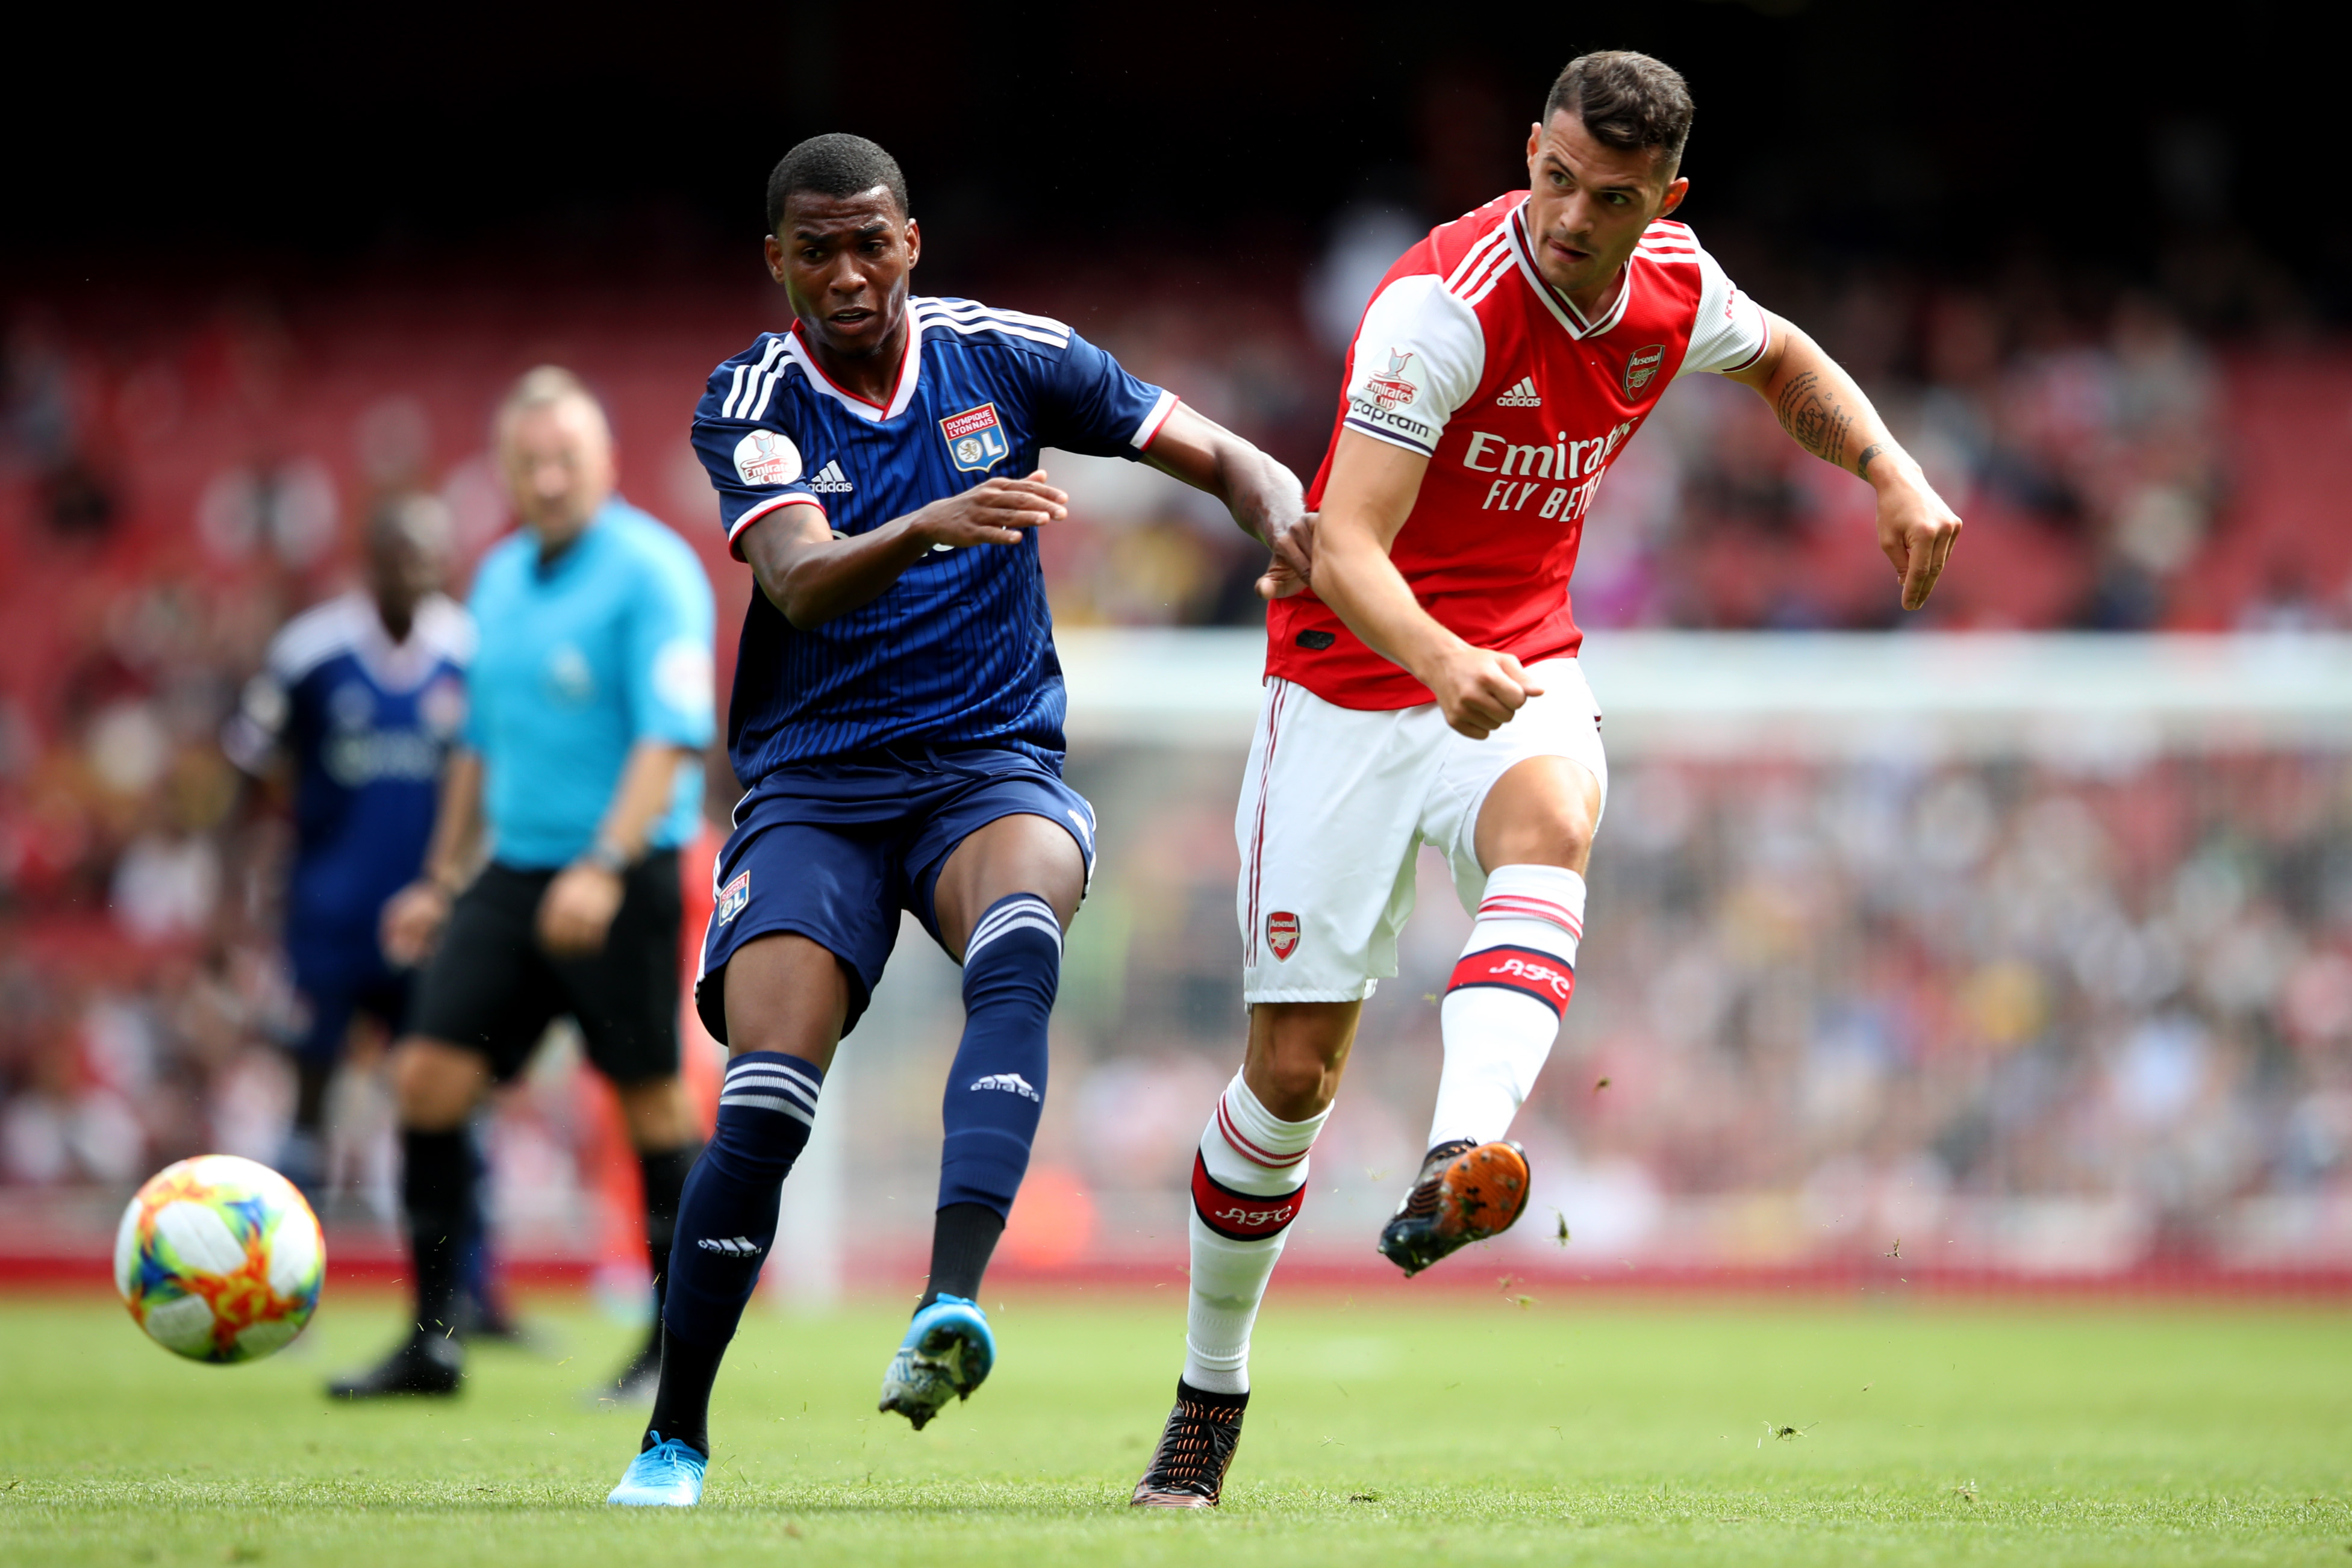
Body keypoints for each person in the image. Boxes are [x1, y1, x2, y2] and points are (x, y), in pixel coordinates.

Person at [1128, 49, 1965, 1507]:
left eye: (1613, 197)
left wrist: (1887, 468)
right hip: (1345, 684)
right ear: (1529, 150)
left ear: (1666, 199)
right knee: (1286, 1080)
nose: (1572, 217)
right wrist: (1435, 663)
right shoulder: (1436, 312)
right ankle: (1208, 1394)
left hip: (1516, 662)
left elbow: (1777, 360)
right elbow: (1344, 545)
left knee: (1553, 817)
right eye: (1557, 179)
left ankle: (1466, 1147)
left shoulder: (1673, 287)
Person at [604, 132, 1308, 1508]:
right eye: (818, 250)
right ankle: (675, 1432)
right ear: (778, 262)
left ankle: (946, 1304)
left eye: (871, 242)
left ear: (910, 242)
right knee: (765, 1095)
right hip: (811, 787)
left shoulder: (1007, 354)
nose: (849, 272)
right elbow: (799, 583)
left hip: (986, 764)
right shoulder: (750, 398)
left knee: (1022, 925)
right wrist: (935, 520)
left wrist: (1286, 519)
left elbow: (1216, 452)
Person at [328, 367, 717, 1402]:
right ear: (504, 470)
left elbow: (672, 735)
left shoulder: (654, 571)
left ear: (606, 462)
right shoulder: (497, 577)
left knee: (647, 1101)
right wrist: (440, 876)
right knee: (427, 1077)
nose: (547, 477)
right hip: (512, 868)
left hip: (620, 870)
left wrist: (602, 862)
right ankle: (435, 1336)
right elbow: (477, 743)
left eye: (566, 459)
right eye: (529, 462)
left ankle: (674, 1349)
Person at [222, 496, 472, 1199]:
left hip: (430, 927)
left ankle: (462, 1294)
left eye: (429, 556)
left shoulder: (468, 652)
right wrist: (227, 903)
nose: (416, 570)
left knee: (444, 1097)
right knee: (310, 1098)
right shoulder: (310, 654)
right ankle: (286, 1290)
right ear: (371, 562)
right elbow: (248, 775)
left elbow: (492, 785)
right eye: (402, 555)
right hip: (326, 921)